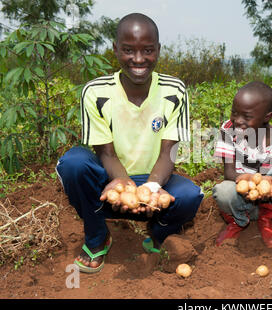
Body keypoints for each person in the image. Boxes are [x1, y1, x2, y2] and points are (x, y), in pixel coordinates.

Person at [55, 13, 204, 273]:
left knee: (190, 196)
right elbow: (106, 153)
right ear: (115, 50)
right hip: (110, 179)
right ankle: (97, 235)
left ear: (158, 50)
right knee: (74, 163)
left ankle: (157, 234)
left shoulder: (174, 91)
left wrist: (151, 187)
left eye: (147, 50)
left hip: (154, 177)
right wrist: (124, 185)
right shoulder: (96, 92)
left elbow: (167, 153)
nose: (138, 59)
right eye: (128, 50)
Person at [212, 81, 272, 248]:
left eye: (247, 116)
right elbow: (229, 173)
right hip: (240, 198)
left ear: (267, 117)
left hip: (267, 200)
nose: (237, 120)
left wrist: (265, 185)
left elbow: (267, 176)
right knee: (222, 191)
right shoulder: (228, 130)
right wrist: (249, 178)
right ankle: (238, 221)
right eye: (234, 113)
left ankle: (268, 220)